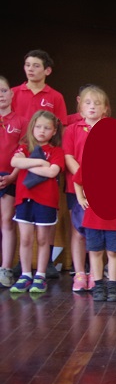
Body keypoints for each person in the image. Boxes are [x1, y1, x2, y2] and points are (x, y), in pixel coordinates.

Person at [11, 50, 67, 280]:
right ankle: (19, 268)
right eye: (27, 65)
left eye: (36, 65)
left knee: (45, 223)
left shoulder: (55, 96)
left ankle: (45, 268)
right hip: (20, 158)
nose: (30, 69)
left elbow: (60, 126)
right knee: (18, 224)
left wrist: (32, 164)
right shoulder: (15, 93)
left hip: (44, 167)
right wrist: (29, 163)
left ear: (47, 70)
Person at [9, 110, 64, 293]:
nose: (42, 131)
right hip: (24, 198)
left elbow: (52, 172)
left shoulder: (56, 151)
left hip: (46, 201)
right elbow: (16, 163)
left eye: (47, 128)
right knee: (25, 238)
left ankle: (40, 274)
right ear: (32, 127)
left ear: (54, 131)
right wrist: (41, 163)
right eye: (38, 126)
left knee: (42, 239)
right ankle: (25, 274)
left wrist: (31, 164)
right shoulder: (24, 147)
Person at [63, 86, 110, 292]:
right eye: (88, 103)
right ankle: (80, 272)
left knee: (98, 232)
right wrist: (84, 179)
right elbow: (68, 156)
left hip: (102, 190)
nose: (92, 107)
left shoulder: (109, 128)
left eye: (97, 103)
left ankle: (95, 273)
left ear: (105, 109)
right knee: (79, 232)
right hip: (77, 189)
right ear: (80, 106)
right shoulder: (72, 129)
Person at [73, 161, 116, 302]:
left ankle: (112, 285)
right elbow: (77, 180)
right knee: (96, 251)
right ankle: (98, 285)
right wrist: (80, 198)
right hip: (93, 218)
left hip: (115, 218)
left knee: (113, 252)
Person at [0, 76, 25, 287]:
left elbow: (23, 152)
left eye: (4, 90)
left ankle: (6, 269)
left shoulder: (21, 121)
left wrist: (13, 176)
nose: (0, 94)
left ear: (11, 93)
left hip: (8, 178)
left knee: (7, 222)